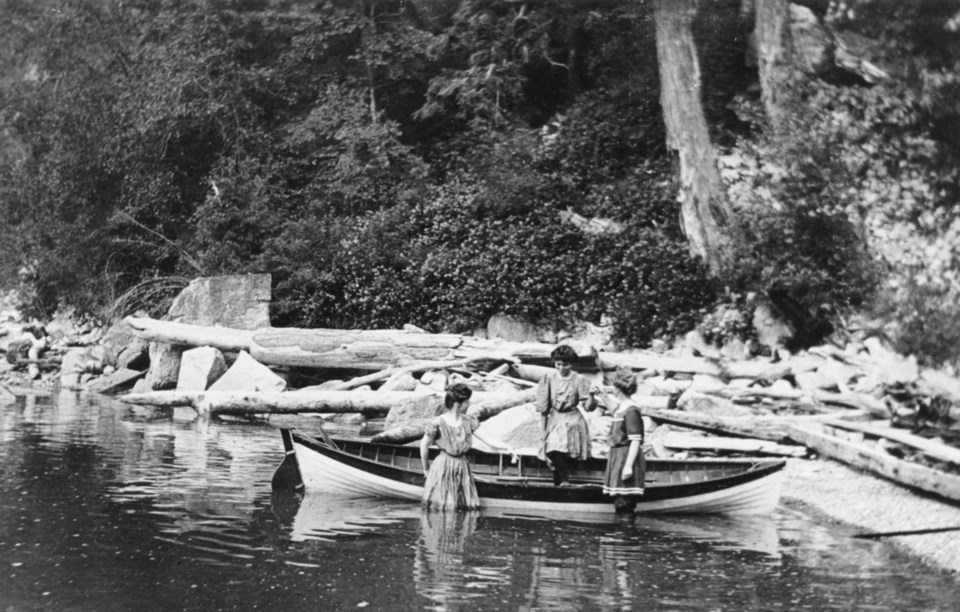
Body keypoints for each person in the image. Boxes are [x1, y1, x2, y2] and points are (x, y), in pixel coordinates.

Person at [420, 383, 516, 511]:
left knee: (460, 506)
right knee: (444, 505)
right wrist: (426, 468)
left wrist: (506, 447)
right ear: (458, 404)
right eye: (467, 402)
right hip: (443, 467)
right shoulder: (438, 423)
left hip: (462, 467)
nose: (469, 404)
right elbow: (423, 444)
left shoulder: (468, 421)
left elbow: (487, 439)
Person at [536, 344, 597, 486]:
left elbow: (588, 407)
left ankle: (562, 482)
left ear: (572, 364)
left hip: (573, 419)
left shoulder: (579, 379)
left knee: (564, 450)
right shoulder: (548, 378)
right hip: (556, 418)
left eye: (565, 365)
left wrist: (591, 395)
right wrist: (543, 430)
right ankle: (563, 481)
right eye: (558, 364)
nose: (561, 368)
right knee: (551, 447)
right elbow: (544, 408)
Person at [595, 367, 645, 514]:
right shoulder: (623, 406)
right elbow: (615, 410)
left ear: (618, 388)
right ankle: (621, 532)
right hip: (617, 457)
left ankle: (625, 532)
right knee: (619, 498)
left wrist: (628, 466)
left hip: (625, 457)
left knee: (625, 500)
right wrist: (603, 395)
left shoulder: (631, 410)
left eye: (613, 386)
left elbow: (635, 440)